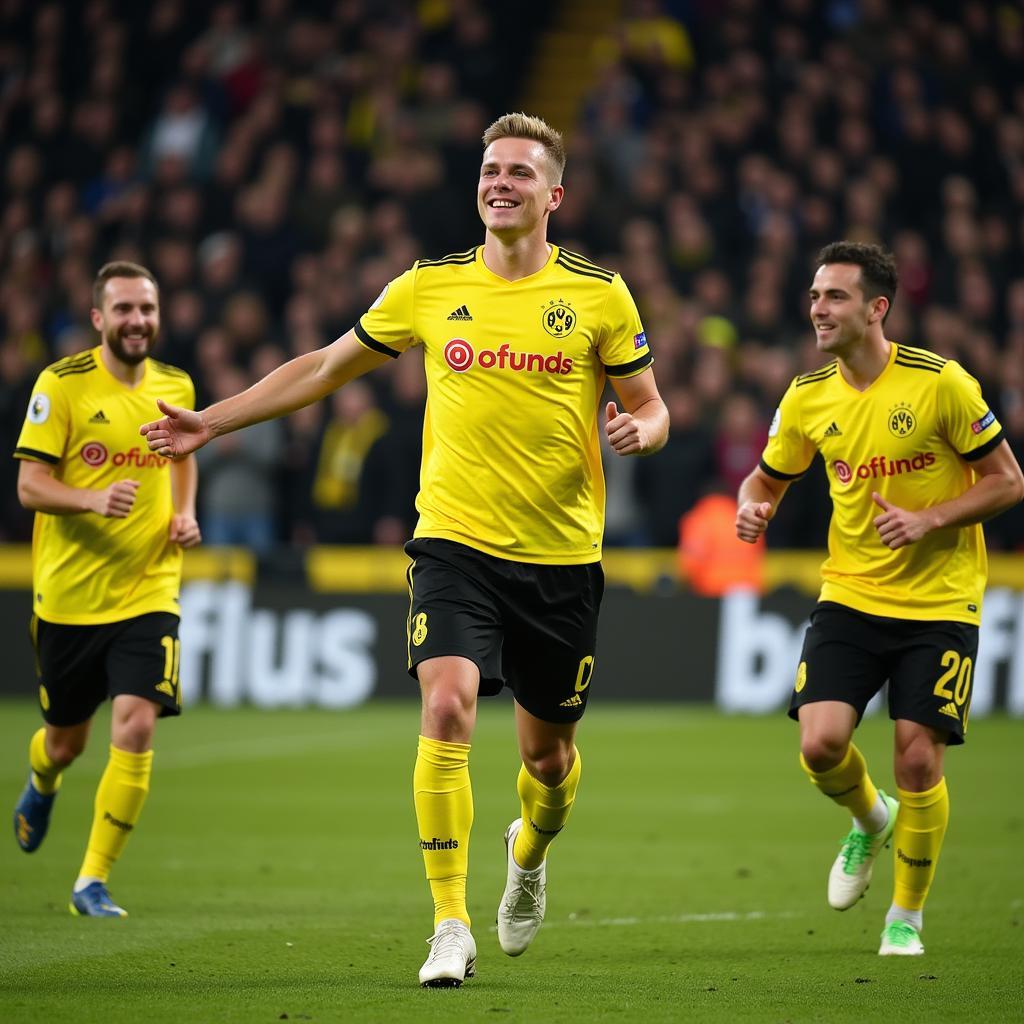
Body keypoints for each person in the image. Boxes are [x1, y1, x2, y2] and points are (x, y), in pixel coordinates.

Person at [139, 112, 668, 985]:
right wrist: (213, 420)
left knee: (549, 760)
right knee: (449, 707)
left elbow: (652, 403)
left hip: (561, 558)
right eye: (491, 170)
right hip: (452, 545)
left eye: (520, 174)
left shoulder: (601, 297)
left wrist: (643, 429)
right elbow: (322, 367)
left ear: (555, 195)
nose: (501, 182)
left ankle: (528, 851)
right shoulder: (427, 286)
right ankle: (449, 921)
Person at [735, 241, 1023, 956]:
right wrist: (754, 507)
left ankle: (906, 915)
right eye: (813, 296)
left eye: (833, 296)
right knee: (821, 744)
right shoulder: (807, 396)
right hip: (852, 594)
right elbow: (765, 479)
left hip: (940, 601)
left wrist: (929, 519)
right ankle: (870, 819)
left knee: (918, 759)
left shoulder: (941, 384)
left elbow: (1008, 480)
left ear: (876, 308)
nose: (817, 310)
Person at [12, 261, 201, 918]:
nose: (137, 321)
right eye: (123, 309)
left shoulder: (176, 383)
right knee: (66, 741)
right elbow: (30, 485)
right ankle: (42, 777)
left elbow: (183, 453)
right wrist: (90, 499)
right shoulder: (60, 386)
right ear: (99, 318)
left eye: (146, 309)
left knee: (138, 722)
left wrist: (184, 512)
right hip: (68, 599)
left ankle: (91, 880)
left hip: (149, 588)